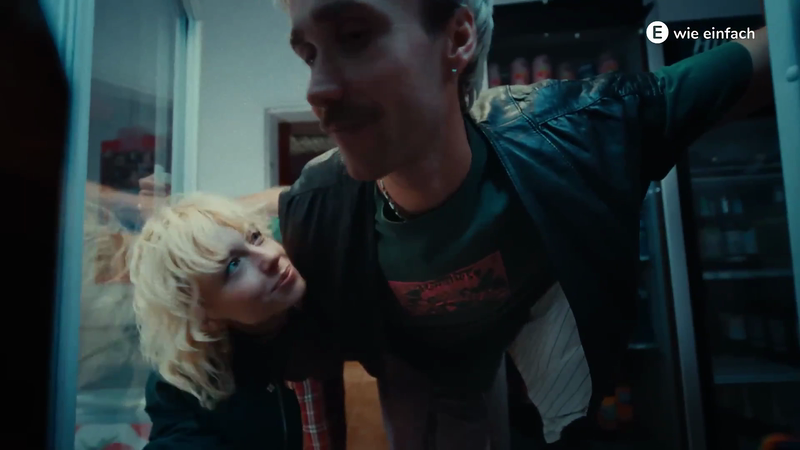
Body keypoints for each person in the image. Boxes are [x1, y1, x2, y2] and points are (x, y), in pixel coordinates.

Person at [128, 193, 307, 449]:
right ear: (202, 315)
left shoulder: (326, 289)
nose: (268, 257)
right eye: (233, 265)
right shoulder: (184, 388)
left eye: (255, 237)